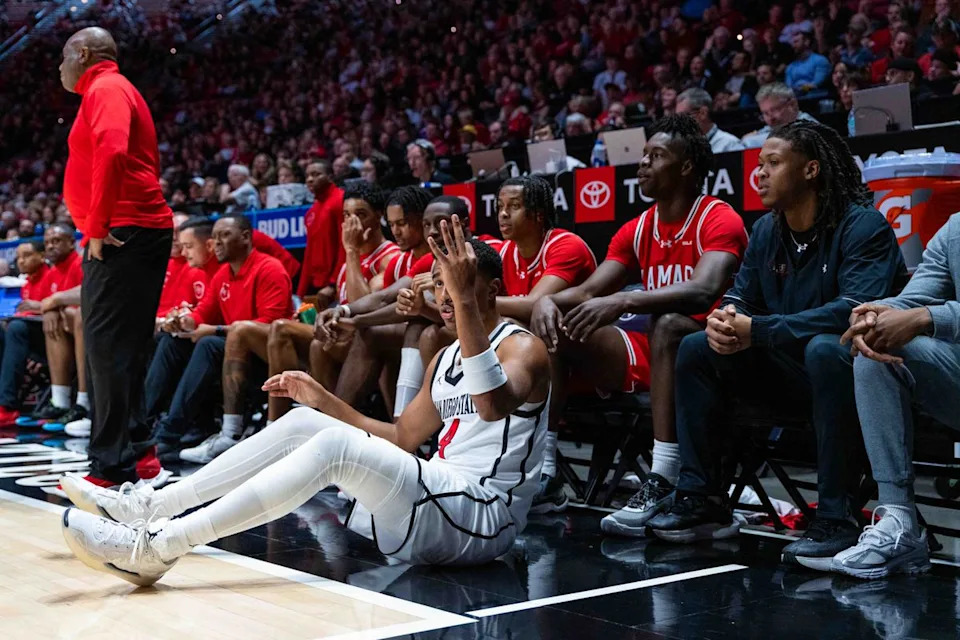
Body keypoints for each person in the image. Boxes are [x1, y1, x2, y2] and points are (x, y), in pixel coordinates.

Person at [60, 229, 551, 585]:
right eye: (440, 283)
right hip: (440, 505)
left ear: (490, 288)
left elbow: (491, 406)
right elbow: (402, 436)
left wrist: (465, 302)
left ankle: (160, 547)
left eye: (457, 283)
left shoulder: (522, 348)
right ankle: (149, 508)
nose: (446, 294)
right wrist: (325, 401)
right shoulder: (444, 356)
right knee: (303, 421)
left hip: (487, 517)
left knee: (334, 445)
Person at [647, 122, 907, 571]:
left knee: (826, 349)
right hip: (788, 377)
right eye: (759, 165)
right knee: (695, 347)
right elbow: (739, 296)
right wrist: (724, 320)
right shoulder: (767, 230)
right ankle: (702, 495)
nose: (760, 174)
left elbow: (853, 310)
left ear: (810, 170)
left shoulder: (863, 226)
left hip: (853, 382)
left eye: (773, 163)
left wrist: (759, 330)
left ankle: (835, 518)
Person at [529, 114, 748, 527]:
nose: (642, 164)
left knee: (668, 324)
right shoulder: (637, 227)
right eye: (643, 154)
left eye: (656, 155)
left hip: (713, 352)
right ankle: (545, 468)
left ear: (686, 167)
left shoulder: (719, 218)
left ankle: (663, 474)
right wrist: (548, 303)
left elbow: (704, 290)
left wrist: (626, 299)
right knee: (553, 329)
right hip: (656, 349)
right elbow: (590, 290)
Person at [59, 27, 173, 488]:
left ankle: (108, 468)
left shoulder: (104, 87)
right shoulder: (119, 89)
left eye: (63, 57)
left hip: (122, 231)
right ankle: (140, 455)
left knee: (106, 351)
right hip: (138, 227)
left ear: (83, 53)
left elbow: (111, 151)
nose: (58, 67)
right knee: (124, 350)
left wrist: (97, 227)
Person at [833, 213, 960, 579]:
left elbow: (925, 311)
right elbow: (917, 297)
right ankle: (899, 522)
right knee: (879, 350)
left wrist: (927, 317)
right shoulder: (954, 227)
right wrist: (876, 314)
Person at [152, 214, 293, 463]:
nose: (216, 243)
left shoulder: (269, 268)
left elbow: (273, 327)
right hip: (230, 356)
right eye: (214, 237)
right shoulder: (223, 275)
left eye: (224, 236)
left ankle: (173, 434)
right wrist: (183, 321)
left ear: (246, 237)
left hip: (267, 363)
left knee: (209, 344)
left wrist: (215, 330)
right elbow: (201, 313)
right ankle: (144, 424)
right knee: (172, 341)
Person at [0, 224, 85, 427]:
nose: (50, 246)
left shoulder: (79, 265)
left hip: (82, 335)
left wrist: (50, 305)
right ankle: (57, 401)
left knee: (20, 328)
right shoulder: (52, 272)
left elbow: (87, 297)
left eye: (56, 241)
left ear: (72, 243)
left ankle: (82, 404)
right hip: (56, 336)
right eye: (47, 242)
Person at [0, 240, 52, 426]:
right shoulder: (27, 283)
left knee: (16, 328)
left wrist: (40, 307)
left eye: (27, 256)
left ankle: (7, 406)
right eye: (19, 257)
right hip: (31, 338)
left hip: (56, 340)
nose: (21, 261)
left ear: (42, 256)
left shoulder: (52, 276)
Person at [297, 159, 344, 305]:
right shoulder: (311, 212)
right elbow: (309, 253)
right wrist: (301, 292)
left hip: (337, 284)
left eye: (316, 174)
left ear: (330, 177)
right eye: (308, 176)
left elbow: (345, 245)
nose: (310, 179)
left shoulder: (340, 200)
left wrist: (333, 283)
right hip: (318, 285)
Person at [741, 83, 820, 149]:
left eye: (775, 110)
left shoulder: (810, 126)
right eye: (765, 113)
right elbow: (747, 140)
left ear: (792, 104)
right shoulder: (771, 128)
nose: (770, 118)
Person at [675, 88, 745, 153]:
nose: (679, 122)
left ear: (703, 113)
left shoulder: (729, 144)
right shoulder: (681, 148)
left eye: (683, 116)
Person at [785, 31, 832, 97]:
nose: (793, 46)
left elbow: (816, 84)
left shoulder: (820, 60)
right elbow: (788, 87)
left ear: (807, 42)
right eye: (793, 43)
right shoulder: (790, 66)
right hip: (795, 99)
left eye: (796, 42)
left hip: (815, 97)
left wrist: (802, 89)